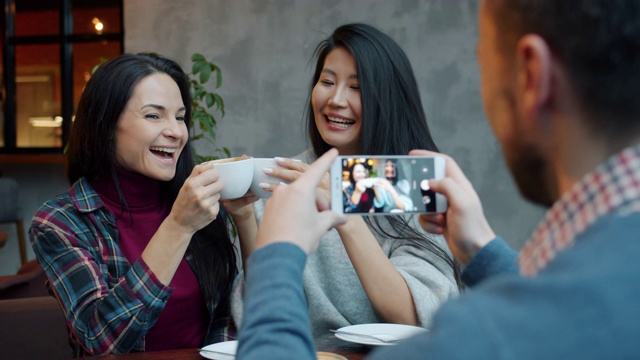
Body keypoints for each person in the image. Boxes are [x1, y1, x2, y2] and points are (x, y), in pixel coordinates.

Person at [236, 0, 640, 358]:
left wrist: (283, 252)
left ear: (531, 73)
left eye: (483, 61)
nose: (336, 99)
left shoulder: (403, 186)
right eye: (326, 81)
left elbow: (525, 316)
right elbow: (551, 316)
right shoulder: (597, 282)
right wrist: (485, 251)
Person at [228, 23, 460, 338]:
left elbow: (418, 316)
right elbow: (259, 314)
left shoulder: (413, 182)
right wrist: (244, 217)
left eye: (357, 87)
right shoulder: (290, 178)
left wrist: (343, 207)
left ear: (387, 99)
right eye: (327, 81)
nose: (336, 99)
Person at [29, 53, 238, 356]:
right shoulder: (59, 222)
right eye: (154, 115)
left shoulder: (195, 205)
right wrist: (177, 227)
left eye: (180, 117)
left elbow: (225, 319)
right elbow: (103, 340)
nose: (176, 132)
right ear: (106, 124)